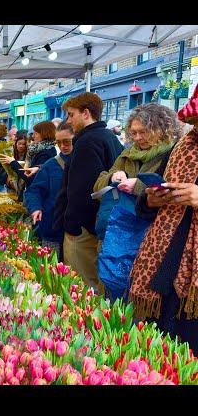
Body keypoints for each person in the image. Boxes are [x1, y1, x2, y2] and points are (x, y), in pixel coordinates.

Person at [129, 86, 198, 351]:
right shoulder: (182, 147)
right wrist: (150, 199)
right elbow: (146, 199)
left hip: (192, 281)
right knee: (161, 346)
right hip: (164, 267)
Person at [54, 92, 123, 294]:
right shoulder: (109, 137)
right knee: (95, 284)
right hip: (101, 224)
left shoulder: (87, 141)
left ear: (86, 113)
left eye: (71, 115)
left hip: (83, 228)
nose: (69, 120)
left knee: (81, 288)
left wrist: (74, 226)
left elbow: (83, 191)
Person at [24, 122, 75, 260]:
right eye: (59, 142)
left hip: (77, 232)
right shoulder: (50, 165)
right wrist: (35, 208)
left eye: (67, 142)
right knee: (51, 271)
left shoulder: (85, 162)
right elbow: (34, 191)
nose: (63, 146)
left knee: (74, 274)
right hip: (51, 227)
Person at [0, 121, 57, 202]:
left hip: (38, 196)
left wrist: (13, 162)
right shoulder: (40, 149)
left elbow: (30, 177)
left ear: (44, 134)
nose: (33, 136)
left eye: (36, 133)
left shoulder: (46, 152)